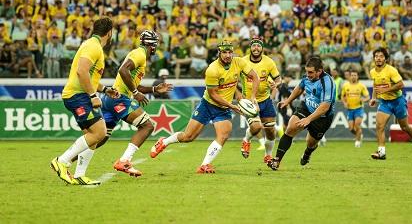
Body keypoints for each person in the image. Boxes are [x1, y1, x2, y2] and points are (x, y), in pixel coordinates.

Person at [71, 31, 173, 180]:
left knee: (99, 138)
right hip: (119, 99)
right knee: (147, 126)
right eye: (156, 44)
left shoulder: (139, 55)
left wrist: (153, 89)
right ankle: (125, 161)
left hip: (111, 98)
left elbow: (131, 80)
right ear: (152, 45)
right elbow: (122, 70)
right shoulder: (140, 54)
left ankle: (67, 160)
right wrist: (135, 92)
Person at [150, 40, 260, 173]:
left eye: (229, 52)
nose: (227, 55)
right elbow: (213, 95)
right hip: (208, 105)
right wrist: (231, 105)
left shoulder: (239, 62)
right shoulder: (212, 70)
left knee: (224, 135)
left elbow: (255, 77)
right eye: (224, 52)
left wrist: (253, 97)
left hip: (223, 109)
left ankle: (204, 165)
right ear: (219, 53)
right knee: (188, 137)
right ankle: (164, 142)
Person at [50, 17, 119, 185]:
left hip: (79, 94)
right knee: (100, 132)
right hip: (78, 95)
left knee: (92, 136)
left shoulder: (92, 45)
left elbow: (90, 75)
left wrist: (104, 89)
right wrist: (94, 96)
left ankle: (80, 174)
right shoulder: (93, 46)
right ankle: (62, 161)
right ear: (109, 32)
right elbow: (82, 72)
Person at [267, 56, 335, 170]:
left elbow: (324, 107)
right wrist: (287, 101)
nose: (308, 75)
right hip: (306, 108)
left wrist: (309, 119)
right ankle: (277, 160)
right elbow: (299, 88)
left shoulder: (328, 82)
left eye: (311, 72)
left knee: (311, 143)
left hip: (322, 117)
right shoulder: (307, 77)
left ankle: (307, 153)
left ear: (320, 70)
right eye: (306, 71)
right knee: (290, 128)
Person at [369, 48, 412, 160]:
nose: (378, 58)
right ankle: (381, 152)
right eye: (376, 56)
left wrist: (385, 90)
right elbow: (375, 85)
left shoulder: (391, 70)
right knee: (379, 126)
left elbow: (401, 84)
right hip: (384, 102)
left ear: (385, 59)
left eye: (381, 56)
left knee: (404, 127)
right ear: (374, 58)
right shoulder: (372, 72)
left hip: (398, 101)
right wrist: (373, 98)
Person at [240, 36, 282, 164]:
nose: (256, 48)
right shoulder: (242, 61)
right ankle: (246, 140)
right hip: (249, 101)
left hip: (265, 99)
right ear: (250, 48)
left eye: (258, 46)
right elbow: (234, 77)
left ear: (262, 48)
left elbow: (278, 79)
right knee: (257, 127)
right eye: (254, 45)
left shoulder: (269, 62)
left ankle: (268, 156)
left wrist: (276, 84)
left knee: (271, 131)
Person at [341, 70, 370, 147]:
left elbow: (368, 97)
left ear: (357, 76)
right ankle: (359, 135)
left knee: (357, 125)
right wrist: (344, 103)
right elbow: (342, 96)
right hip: (350, 109)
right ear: (350, 76)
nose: (353, 77)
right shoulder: (345, 86)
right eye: (352, 75)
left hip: (359, 108)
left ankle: (357, 142)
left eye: (355, 75)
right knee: (351, 128)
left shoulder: (361, 86)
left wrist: (363, 99)